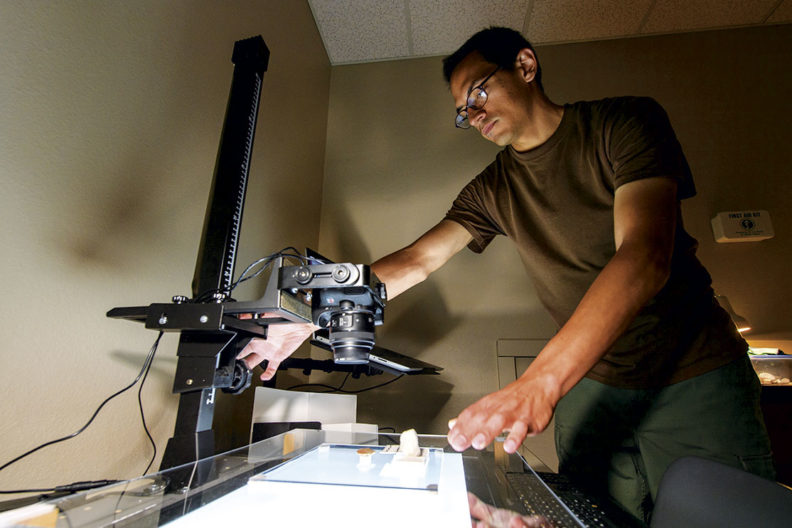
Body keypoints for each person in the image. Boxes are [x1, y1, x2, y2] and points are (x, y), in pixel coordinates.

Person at [238, 27, 774, 523]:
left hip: (693, 372)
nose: (472, 115)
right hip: (593, 387)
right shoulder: (492, 189)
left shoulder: (623, 123)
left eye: (478, 92)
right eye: (462, 111)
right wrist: (307, 318)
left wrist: (540, 383)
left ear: (525, 65)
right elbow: (418, 261)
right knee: (588, 514)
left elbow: (644, 256)